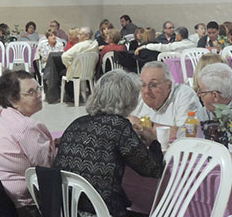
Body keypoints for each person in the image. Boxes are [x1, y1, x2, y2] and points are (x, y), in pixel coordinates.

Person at [55, 70, 164, 217]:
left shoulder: (77, 123)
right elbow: (153, 169)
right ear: (129, 100)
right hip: (101, 212)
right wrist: (153, 142)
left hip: (68, 211)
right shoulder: (118, 125)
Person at [0, 70, 54, 217]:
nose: (39, 95)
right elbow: (46, 169)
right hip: (23, 205)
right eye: (31, 92)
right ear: (13, 100)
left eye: (38, 89)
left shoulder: (1, 118)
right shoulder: (26, 128)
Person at [131, 61, 201, 137]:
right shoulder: (139, 97)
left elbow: (186, 133)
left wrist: (144, 124)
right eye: (143, 85)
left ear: (169, 86)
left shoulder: (184, 95)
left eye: (153, 85)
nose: (146, 91)